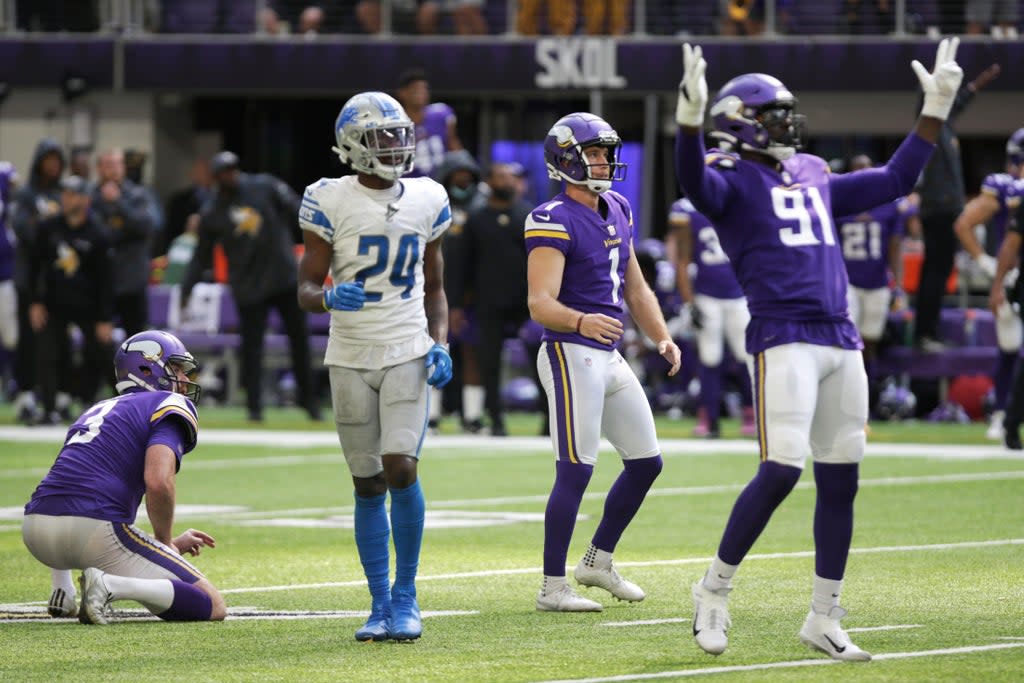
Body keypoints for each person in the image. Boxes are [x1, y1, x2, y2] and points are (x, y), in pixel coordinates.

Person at [674, 39, 962, 659]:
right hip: (784, 335)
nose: (787, 124)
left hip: (841, 335)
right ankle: (713, 591)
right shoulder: (727, 177)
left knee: (842, 479)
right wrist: (688, 125)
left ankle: (823, 615)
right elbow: (693, 181)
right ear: (740, 126)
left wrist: (934, 108)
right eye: (773, 114)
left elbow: (895, 178)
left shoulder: (814, 173)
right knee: (781, 470)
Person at [296, 91, 453, 641]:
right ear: (353, 146)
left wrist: (442, 342)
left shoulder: (429, 197)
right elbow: (305, 288)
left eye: (399, 134)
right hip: (349, 354)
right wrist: (328, 298)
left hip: (406, 347)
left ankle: (407, 597)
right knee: (366, 484)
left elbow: (436, 287)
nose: (396, 145)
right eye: (382, 136)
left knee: (400, 467)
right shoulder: (328, 199)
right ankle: (379, 602)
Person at [527, 112, 681, 612]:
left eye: (605, 152)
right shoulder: (551, 217)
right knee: (575, 469)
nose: (604, 161)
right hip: (570, 353)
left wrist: (660, 335)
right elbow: (540, 303)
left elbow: (634, 284)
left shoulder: (616, 205)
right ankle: (552, 587)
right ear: (566, 158)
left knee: (646, 463)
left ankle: (597, 560)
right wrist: (580, 321)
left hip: (607, 354)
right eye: (593, 153)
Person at [22, 330, 226, 625]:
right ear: (147, 369)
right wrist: (165, 541)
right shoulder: (168, 404)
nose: (184, 379)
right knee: (212, 604)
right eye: (177, 369)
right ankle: (110, 586)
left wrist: (159, 547)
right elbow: (158, 481)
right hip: (92, 531)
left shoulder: (96, 409)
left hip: (35, 529)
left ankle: (62, 589)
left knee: (75, 491)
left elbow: (70, 478)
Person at [182, 150, 321, 423]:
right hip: (248, 286)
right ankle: (254, 407)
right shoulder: (212, 211)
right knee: (251, 348)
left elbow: (299, 212)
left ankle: (310, 402)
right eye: (223, 173)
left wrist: (319, 245)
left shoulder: (265, 186)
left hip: (283, 277)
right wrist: (187, 288)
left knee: (300, 341)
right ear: (216, 178)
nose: (230, 176)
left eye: (232, 170)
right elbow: (201, 255)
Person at [913, 62, 999, 351]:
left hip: (946, 208)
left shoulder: (945, 125)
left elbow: (957, 104)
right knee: (934, 272)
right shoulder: (929, 124)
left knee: (940, 270)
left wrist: (977, 85)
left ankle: (929, 331)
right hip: (938, 209)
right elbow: (932, 110)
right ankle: (925, 334)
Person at [449, 162, 533, 436]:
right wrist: (457, 304)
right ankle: (495, 420)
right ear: (490, 181)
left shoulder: (527, 216)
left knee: (542, 358)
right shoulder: (476, 218)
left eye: (511, 177)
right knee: (489, 362)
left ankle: (548, 422)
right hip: (488, 301)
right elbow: (462, 263)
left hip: (528, 301)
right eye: (501, 177)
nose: (507, 182)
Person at [953, 128, 1024, 441]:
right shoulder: (1007, 188)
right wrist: (986, 263)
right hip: (1012, 277)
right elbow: (964, 224)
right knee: (1010, 348)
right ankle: (1001, 414)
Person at [28, 176, 114, 424]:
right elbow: (35, 267)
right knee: (46, 352)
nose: (66, 199)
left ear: (85, 199)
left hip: (88, 306)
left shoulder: (98, 232)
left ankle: (124, 406)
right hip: (54, 303)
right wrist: (35, 302)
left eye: (73, 194)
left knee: (103, 352)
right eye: (64, 194)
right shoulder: (49, 228)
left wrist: (104, 318)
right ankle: (48, 408)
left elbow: (106, 279)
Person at [670, 195, 755, 439]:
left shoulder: (739, 203)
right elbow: (683, 259)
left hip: (738, 294)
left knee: (746, 356)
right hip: (708, 295)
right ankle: (709, 417)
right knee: (710, 357)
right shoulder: (688, 209)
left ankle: (752, 413)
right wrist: (689, 301)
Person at [837, 154, 918, 371]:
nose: (862, 174)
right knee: (849, 340)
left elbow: (895, 247)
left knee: (871, 340)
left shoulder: (887, 205)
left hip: (878, 282)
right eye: (857, 169)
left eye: (866, 168)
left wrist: (898, 286)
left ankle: (870, 392)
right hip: (848, 282)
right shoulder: (839, 202)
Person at [10, 138, 65, 424]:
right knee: (28, 340)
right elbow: (22, 228)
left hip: (57, 280)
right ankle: (26, 395)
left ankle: (55, 397)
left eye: (58, 160)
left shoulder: (62, 192)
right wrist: (45, 224)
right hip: (29, 277)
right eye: (49, 159)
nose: (53, 165)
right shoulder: (27, 195)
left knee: (55, 342)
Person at [92, 149, 159, 337]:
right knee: (99, 341)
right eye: (108, 165)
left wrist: (118, 202)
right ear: (99, 169)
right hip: (100, 282)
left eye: (117, 165)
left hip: (132, 280)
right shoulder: (91, 197)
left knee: (137, 340)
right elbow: (96, 234)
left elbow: (147, 225)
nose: (113, 170)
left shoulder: (139, 195)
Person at [395, 68, 462, 180]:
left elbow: (453, 143)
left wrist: (463, 165)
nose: (421, 93)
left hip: (441, 180)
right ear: (402, 93)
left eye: (424, 89)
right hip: (409, 183)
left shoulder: (441, 113)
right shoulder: (395, 122)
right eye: (415, 89)